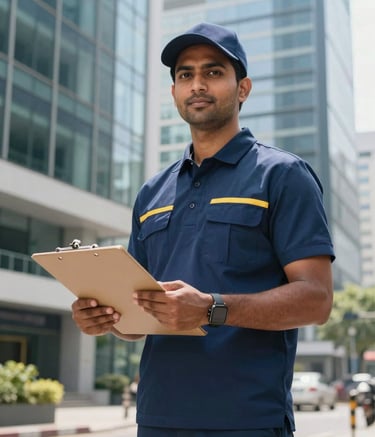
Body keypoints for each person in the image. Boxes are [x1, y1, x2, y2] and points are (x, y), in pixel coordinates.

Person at [72, 22, 335, 437]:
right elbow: (137, 314)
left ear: (242, 88)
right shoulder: (152, 192)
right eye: (185, 75)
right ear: (174, 92)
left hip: (246, 420)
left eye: (213, 72)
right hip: (157, 419)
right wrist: (106, 319)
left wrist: (213, 307)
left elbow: (317, 300)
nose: (197, 84)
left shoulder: (283, 175)